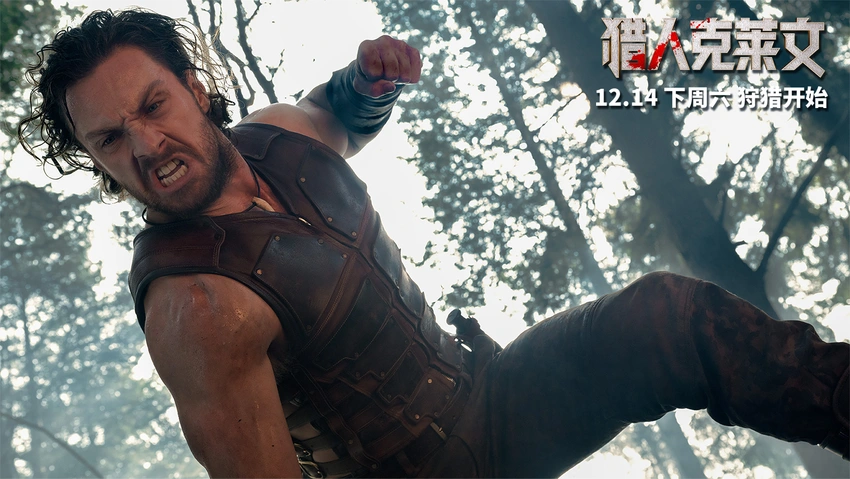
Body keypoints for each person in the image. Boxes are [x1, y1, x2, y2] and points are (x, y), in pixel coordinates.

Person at [19, 8, 848, 478]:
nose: (146, 145)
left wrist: (370, 81)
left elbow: (338, 115)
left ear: (196, 88)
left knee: (668, 317)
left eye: (154, 105)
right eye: (110, 138)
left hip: (489, 400)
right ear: (95, 158)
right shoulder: (195, 306)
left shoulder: (274, 137)